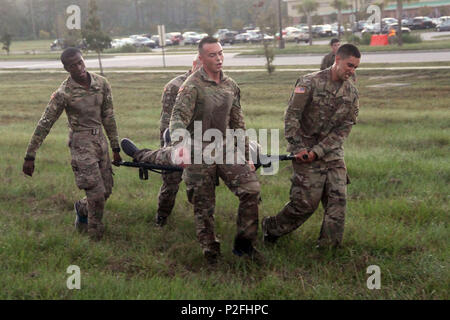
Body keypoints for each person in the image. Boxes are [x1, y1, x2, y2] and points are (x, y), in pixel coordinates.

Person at [169, 36, 261, 264]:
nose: (219, 58)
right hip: (198, 151)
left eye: (220, 53)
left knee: (251, 190)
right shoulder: (191, 86)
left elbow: (238, 123)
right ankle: (210, 252)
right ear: (201, 59)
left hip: (225, 148)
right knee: (204, 205)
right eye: (212, 55)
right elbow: (177, 118)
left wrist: (247, 157)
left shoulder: (231, 85)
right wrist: (181, 146)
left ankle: (244, 245)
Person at [262, 44, 361, 248]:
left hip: (331, 153)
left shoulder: (351, 92)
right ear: (337, 59)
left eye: (355, 68)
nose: (352, 71)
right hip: (303, 151)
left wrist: (320, 150)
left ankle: (328, 249)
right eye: (349, 65)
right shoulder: (309, 82)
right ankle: (271, 228)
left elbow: (345, 128)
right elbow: (292, 116)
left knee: (338, 201)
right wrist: (298, 147)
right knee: (305, 204)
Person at [22, 47, 122, 241]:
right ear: (67, 69)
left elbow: (109, 117)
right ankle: (96, 239)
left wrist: (115, 147)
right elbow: (45, 123)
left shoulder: (101, 83)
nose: (79, 67)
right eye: (73, 65)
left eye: (80, 62)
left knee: (106, 190)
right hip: (81, 143)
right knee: (96, 194)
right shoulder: (63, 93)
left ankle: (81, 208)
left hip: (100, 141)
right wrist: (30, 155)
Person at [155, 56, 202, 227]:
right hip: (175, 139)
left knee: (199, 182)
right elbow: (167, 124)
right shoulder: (175, 86)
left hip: (200, 141)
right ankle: (162, 216)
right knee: (171, 180)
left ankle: (201, 220)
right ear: (194, 66)